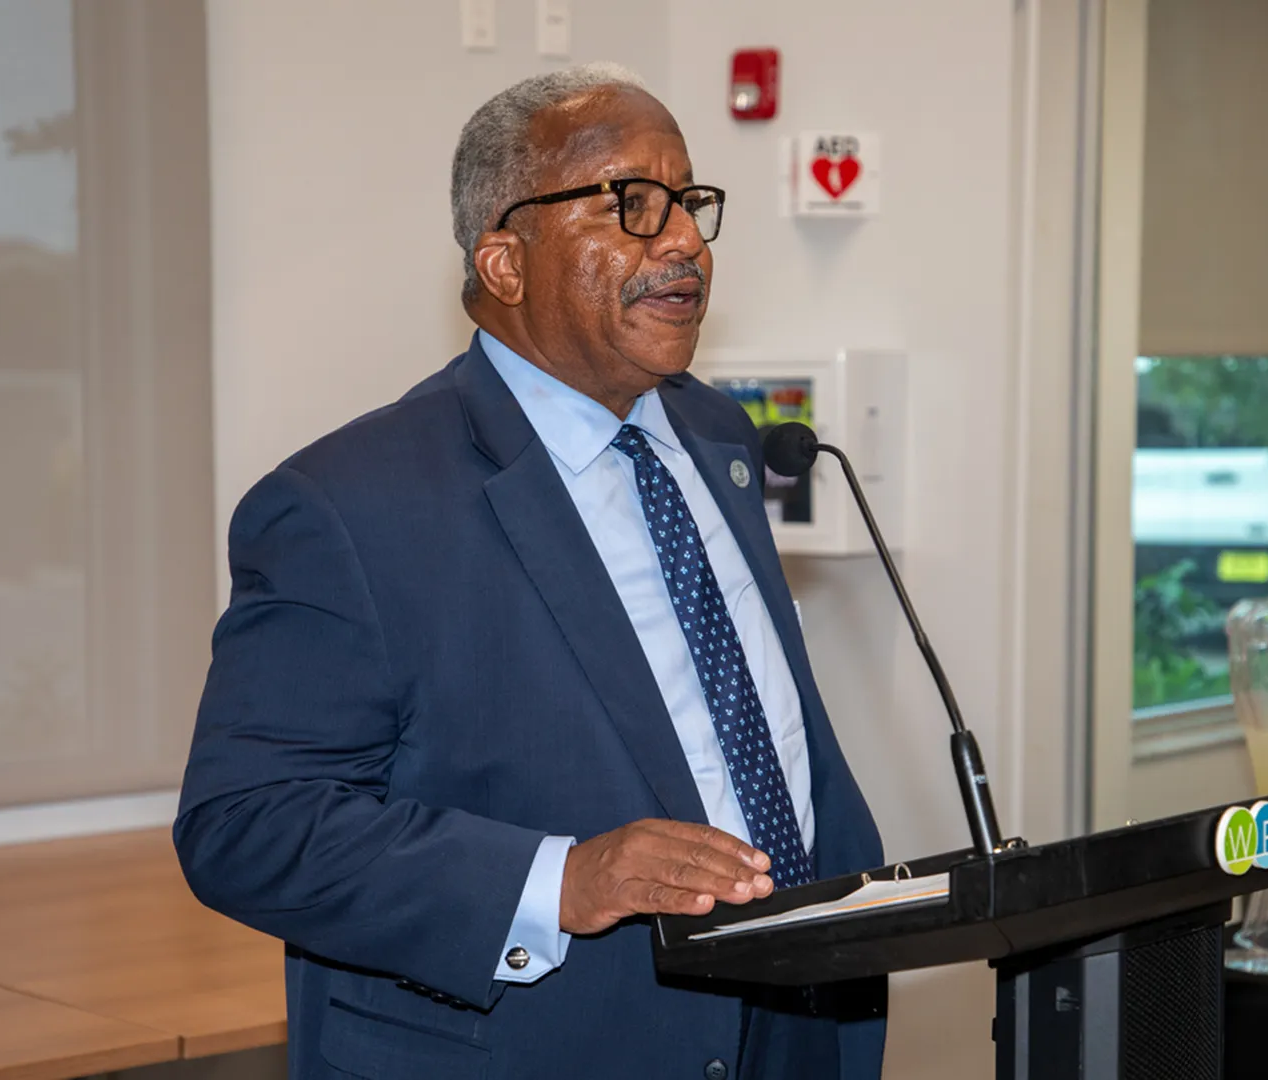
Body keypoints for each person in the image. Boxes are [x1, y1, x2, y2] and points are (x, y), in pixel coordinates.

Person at [175, 63, 886, 1079]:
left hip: (795, 1024)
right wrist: (561, 879)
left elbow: (741, 719)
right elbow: (246, 825)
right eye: (632, 204)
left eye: (689, 201)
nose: (682, 238)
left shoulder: (721, 437)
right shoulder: (347, 506)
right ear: (505, 262)